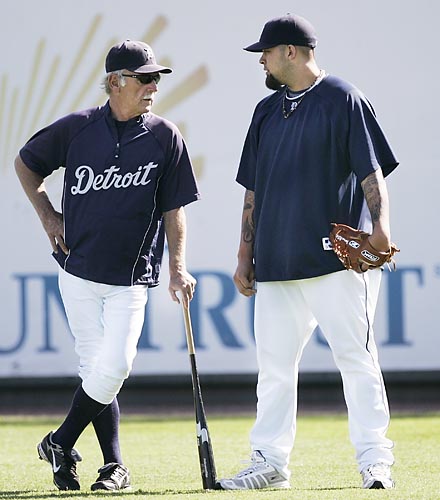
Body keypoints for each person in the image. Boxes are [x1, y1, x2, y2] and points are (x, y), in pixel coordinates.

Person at [218, 14, 397, 491]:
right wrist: (244, 254)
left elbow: (371, 170)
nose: (262, 59)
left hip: (335, 261)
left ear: (291, 52)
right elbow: (252, 190)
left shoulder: (342, 97)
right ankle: (269, 463)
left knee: (356, 360)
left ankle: (375, 460)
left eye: (267, 51)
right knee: (274, 370)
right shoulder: (265, 111)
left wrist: (380, 227)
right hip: (277, 263)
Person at [15, 40, 200, 491]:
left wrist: (177, 267)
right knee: (94, 367)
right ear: (116, 82)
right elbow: (26, 164)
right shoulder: (78, 128)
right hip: (77, 270)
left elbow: (176, 208)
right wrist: (48, 216)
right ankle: (113, 465)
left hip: (131, 276)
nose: (154, 86)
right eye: (145, 78)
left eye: (157, 78)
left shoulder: (164, 136)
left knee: (115, 365)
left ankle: (60, 441)